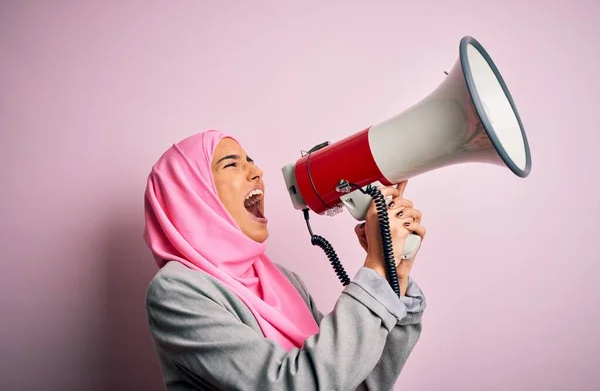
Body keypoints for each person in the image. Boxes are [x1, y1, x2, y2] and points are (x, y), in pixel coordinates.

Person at [143, 129, 427, 390]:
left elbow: (355, 381)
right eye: (232, 164)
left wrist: (393, 276)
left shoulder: (283, 279)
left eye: (251, 161)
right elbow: (295, 384)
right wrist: (375, 268)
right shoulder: (176, 291)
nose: (256, 171)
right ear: (190, 194)